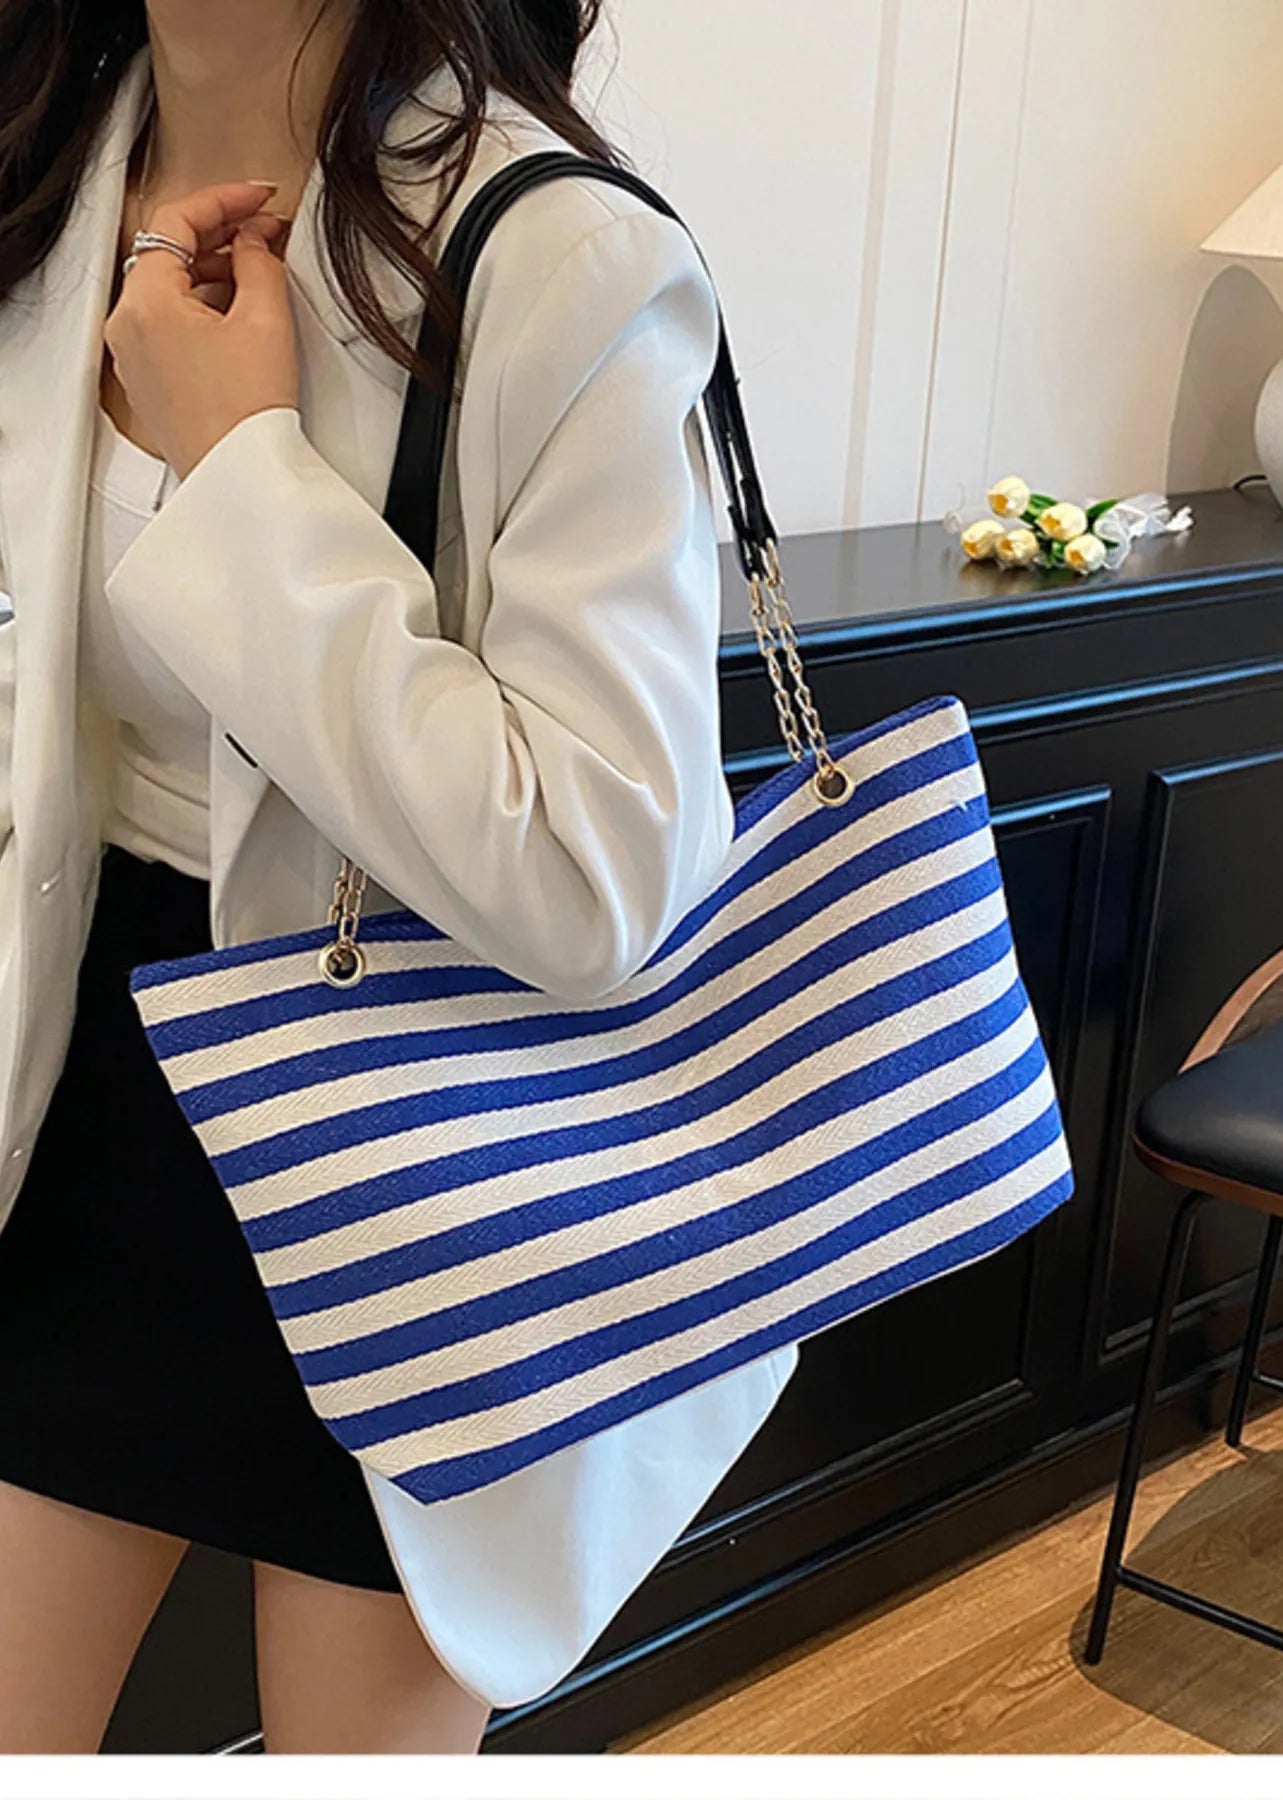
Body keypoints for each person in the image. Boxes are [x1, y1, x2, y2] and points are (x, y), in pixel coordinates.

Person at [0, 0, 798, 1756]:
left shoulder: (555, 255)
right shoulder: (44, 178)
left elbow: (604, 873)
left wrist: (243, 479)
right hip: (75, 1095)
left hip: (427, 1147)